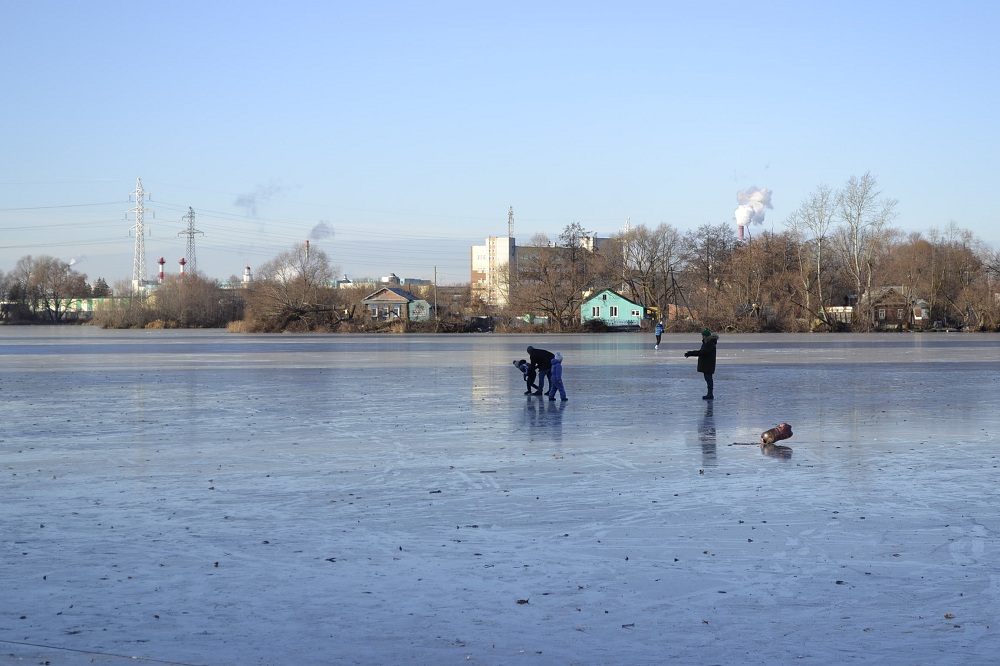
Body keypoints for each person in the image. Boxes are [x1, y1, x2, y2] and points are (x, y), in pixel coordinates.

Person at [684, 329, 719, 400]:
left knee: (709, 379)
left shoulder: (709, 344)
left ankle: (710, 394)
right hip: (707, 364)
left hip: (708, 365)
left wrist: (691, 353)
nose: (702, 337)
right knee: (708, 379)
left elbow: (703, 352)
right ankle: (709, 393)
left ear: (706, 336)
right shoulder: (707, 343)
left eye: (703, 336)